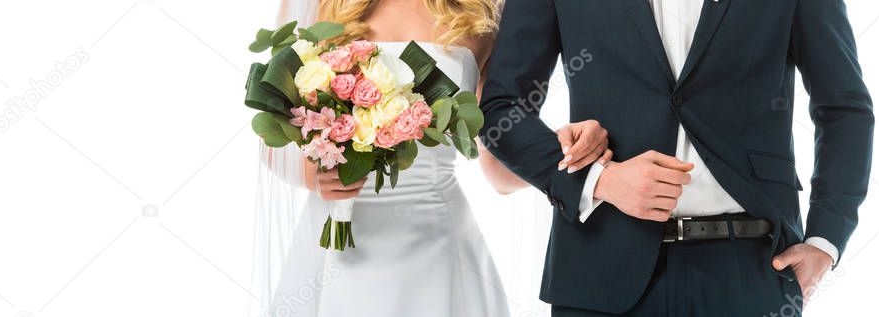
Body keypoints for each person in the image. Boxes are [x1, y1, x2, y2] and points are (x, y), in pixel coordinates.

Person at [479, 0, 874, 316]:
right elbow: (501, 108)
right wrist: (599, 180)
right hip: (600, 269)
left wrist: (826, 239)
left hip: (750, 267)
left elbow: (843, 107)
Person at [252, 0, 612, 316]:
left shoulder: (482, 13)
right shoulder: (318, 5)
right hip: (333, 245)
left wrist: (562, 150)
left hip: (436, 246)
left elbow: (497, 170)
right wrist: (312, 176)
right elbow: (273, 136)